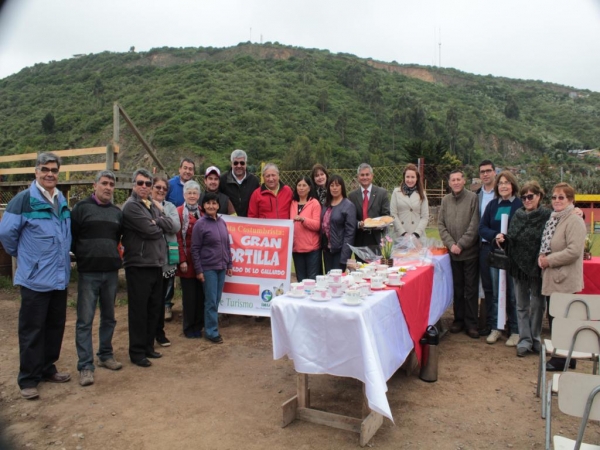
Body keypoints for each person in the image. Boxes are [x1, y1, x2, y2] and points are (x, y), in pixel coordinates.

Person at [0, 152, 72, 400]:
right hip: (35, 279)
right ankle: (28, 378)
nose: (50, 173)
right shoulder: (23, 201)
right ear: (36, 171)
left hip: (59, 277)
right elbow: (7, 236)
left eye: (54, 170)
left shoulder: (60, 199)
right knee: (32, 329)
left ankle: (47, 368)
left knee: (54, 326)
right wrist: (28, 259)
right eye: (45, 169)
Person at [71, 170, 123, 387]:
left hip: (111, 272)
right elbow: (72, 239)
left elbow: (118, 239)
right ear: (95, 185)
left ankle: (105, 354)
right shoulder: (81, 209)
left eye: (111, 184)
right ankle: (85, 365)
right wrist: (84, 256)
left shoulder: (116, 213)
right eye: (104, 183)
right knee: (85, 320)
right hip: (88, 273)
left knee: (109, 317)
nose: (108, 187)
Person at [122, 169, 178, 367]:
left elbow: (171, 224)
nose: (144, 186)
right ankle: (137, 352)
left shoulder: (150, 205)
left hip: (156, 264)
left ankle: (148, 347)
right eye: (141, 183)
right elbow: (152, 230)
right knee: (139, 311)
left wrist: (158, 220)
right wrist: (158, 223)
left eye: (147, 183)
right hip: (139, 265)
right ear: (133, 184)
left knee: (154, 309)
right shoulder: (131, 207)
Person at [538, 182, 587, 371]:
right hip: (554, 277)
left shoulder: (574, 220)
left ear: (570, 200)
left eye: (561, 197)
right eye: (554, 197)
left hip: (565, 279)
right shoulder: (554, 218)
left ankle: (561, 358)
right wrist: (542, 257)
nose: (557, 201)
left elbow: (574, 251)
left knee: (562, 320)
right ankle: (565, 357)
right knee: (555, 318)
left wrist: (549, 260)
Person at [506, 181, 551, 357]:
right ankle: (525, 339)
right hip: (518, 266)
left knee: (538, 305)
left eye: (530, 196)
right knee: (522, 305)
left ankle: (536, 338)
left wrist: (578, 212)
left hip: (537, 267)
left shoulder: (547, 215)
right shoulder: (517, 215)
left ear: (539, 196)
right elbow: (512, 237)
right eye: (523, 197)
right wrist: (504, 240)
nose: (527, 200)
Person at [479, 170, 523, 346]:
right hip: (496, 257)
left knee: (512, 294)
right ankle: (496, 328)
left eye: (507, 182)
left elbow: (521, 229)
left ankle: (515, 330)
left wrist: (508, 238)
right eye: (500, 183)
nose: (503, 186)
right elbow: (482, 228)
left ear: (512, 185)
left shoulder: (519, 205)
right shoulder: (492, 206)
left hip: (513, 257)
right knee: (497, 293)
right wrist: (495, 235)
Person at [438, 169, 480, 339]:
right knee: (457, 288)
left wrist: (461, 244)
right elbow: (441, 225)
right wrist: (451, 244)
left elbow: (474, 225)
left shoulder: (472, 198)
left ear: (464, 181)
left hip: (469, 253)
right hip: (453, 254)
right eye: (452, 180)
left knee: (470, 289)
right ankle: (459, 320)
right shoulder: (445, 201)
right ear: (449, 183)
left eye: (458, 179)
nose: (455, 182)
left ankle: (471, 323)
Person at [191, 192, 233, 344]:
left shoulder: (222, 222)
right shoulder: (200, 224)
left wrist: (229, 264)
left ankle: (211, 327)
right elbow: (194, 249)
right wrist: (199, 270)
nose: (211, 206)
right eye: (208, 203)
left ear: (218, 205)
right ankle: (211, 331)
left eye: (214, 203)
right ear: (203, 206)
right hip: (208, 269)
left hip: (221, 267)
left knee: (216, 300)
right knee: (211, 301)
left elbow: (227, 245)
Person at [152, 176, 181, 346]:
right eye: (158, 187)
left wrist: (158, 218)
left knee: (161, 298)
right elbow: (147, 226)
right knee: (151, 299)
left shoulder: (170, 206)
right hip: (149, 260)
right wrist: (164, 221)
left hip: (167, 261)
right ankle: (149, 333)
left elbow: (175, 227)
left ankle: (159, 332)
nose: (161, 190)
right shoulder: (144, 205)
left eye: (164, 188)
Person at [176, 180, 206, 338]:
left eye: (195, 193)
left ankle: (198, 325)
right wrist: (182, 260)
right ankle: (188, 327)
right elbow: (177, 238)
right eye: (189, 193)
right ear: (184, 195)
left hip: (201, 261)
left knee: (200, 296)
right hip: (186, 261)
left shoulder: (203, 212)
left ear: (199, 195)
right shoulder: (179, 212)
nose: (192, 196)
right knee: (189, 297)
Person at [348, 163, 390, 259]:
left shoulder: (381, 193)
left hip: (376, 238)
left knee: (376, 268)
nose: (365, 177)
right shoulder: (352, 196)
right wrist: (359, 224)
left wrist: (376, 223)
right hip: (359, 239)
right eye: (362, 175)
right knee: (361, 268)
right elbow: (350, 218)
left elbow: (386, 215)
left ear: (372, 176)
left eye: (367, 174)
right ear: (358, 177)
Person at [476, 160, 497, 337]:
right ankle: (489, 323)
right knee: (487, 287)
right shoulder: (477, 195)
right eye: (482, 172)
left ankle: (504, 324)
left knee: (505, 287)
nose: (485, 174)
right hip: (483, 246)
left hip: (501, 247)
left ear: (494, 172)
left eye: (488, 171)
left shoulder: (503, 194)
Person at [321, 175, 357, 273]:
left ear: (342, 187)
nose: (334, 188)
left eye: (337, 185)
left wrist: (344, 256)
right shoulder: (326, 205)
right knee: (328, 279)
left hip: (340, 251)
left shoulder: (348, 206)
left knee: (337, 281)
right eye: (332, 185)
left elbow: (350, 233)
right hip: (327, 250)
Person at [290, 176, 322, 282]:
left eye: (304, 185)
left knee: (312, 281)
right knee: (300, 280)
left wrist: (303, 220)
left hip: (311, 249)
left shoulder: (314, 203)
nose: (301, 188)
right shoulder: (292, 203)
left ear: (309, 188)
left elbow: (317, 225)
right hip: (296, 248)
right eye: (299, 185)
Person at [390, 163, 429, 240]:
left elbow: (425, 216)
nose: (410, 180)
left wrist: (416, 234)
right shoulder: (396, 192)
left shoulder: (422, 193)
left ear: (417, 178)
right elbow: (393, 214)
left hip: (418, 237)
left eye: (412, 177)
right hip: (400, 236)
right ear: (404, 177)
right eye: (407, 177)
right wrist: (403, 233)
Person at [219, 149, 260, 217]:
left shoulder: (254, 181)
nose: (239, 166)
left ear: (246, 163)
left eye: (242, 163)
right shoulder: (223, 180)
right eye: (235, 163)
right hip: (228, 223)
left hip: (248, 223)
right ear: (231, 164)